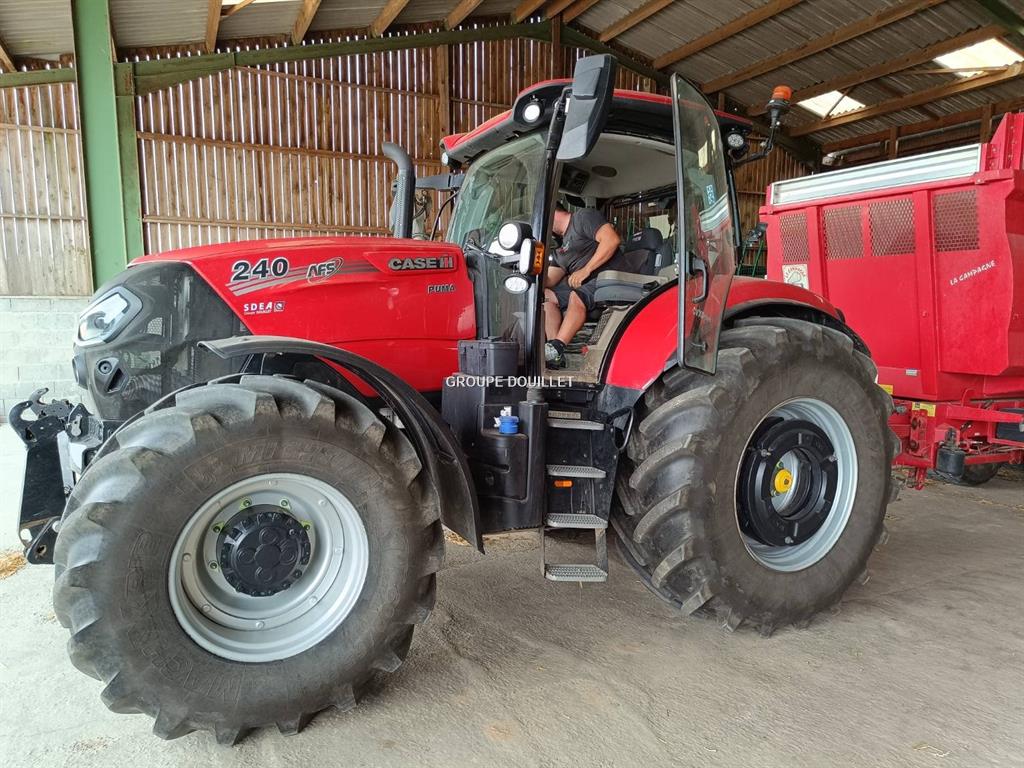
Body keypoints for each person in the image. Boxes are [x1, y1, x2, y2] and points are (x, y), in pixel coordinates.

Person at [543, 203, 623, 368]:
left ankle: (558, 345)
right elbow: (549, 280)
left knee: (576, 295)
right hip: (585, 285)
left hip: (607, 278)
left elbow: (611, 239)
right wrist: (528, 269)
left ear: (551, 212)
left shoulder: (582, 218)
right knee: (545, 296)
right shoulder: (561, 249)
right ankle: (554, 352)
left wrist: (586, 270)